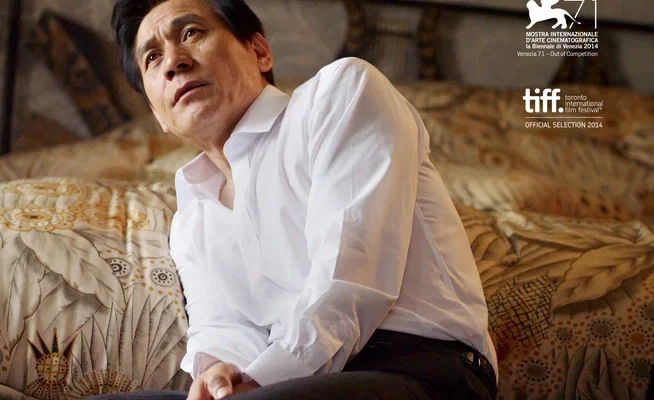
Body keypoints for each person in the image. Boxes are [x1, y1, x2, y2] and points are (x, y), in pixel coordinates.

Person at [98, 0, 499, 399]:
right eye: (152, 58)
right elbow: (222, 327)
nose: (173, 62)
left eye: (191, 33)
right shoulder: (191, 218)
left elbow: (351, 277)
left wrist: (260, 381)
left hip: (420, 370)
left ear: (260, 52)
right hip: (289, 380)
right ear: (158, 114)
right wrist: (220, 374)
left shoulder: (341, 92)